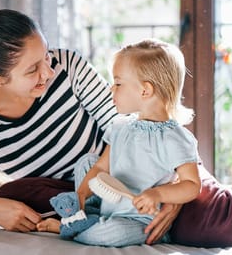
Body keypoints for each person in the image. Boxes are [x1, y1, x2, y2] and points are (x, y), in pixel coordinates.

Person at [0, 9, 232, 246]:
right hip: (75, 193)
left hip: (145, 169)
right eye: (33, 69)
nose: (48, 72)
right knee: (10, 196)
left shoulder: (68, 68)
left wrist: (171, 195)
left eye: (46, 57)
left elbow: (135, 126)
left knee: (222, 226)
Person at [36, 38, 202, 247]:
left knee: (109, 234)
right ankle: (85, 216)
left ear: (145, 90)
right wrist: (80, 196)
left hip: (138, 220)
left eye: (118, 83)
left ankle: (71, 226)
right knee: (86, 162)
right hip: (108, 204)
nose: (111, 90)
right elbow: (100, 167)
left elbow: (192, 185)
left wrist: (157, 194)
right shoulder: (120, 126)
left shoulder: (175, 138)